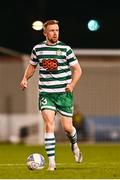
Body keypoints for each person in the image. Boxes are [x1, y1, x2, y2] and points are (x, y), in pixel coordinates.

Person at [20, 19, 83, 171]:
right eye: (52, 30)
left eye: (57, 30)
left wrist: (72, 84)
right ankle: (52, 164)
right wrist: (25, 78)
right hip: (46, 93)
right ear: (45, 32)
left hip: (64, 94)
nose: (55, 33)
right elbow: (32, 66)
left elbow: (78, 70)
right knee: (49, 125)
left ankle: (74, 144)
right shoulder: (38, 49)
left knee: (68, 128)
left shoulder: (65, 49)